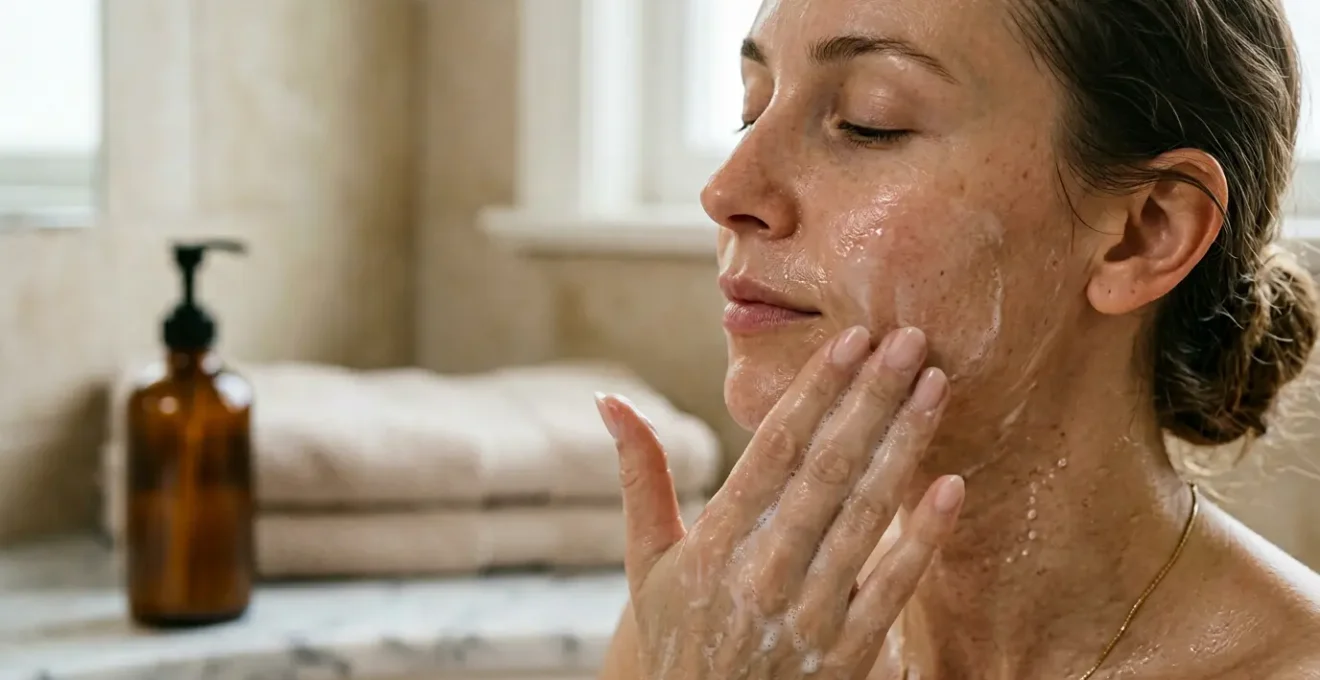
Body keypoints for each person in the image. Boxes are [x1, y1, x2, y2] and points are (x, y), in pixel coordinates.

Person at [591, 0, 1320, 677]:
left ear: (1145, 235)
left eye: (870, 121)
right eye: (750, 112)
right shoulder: (724, 625)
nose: (725, 192)